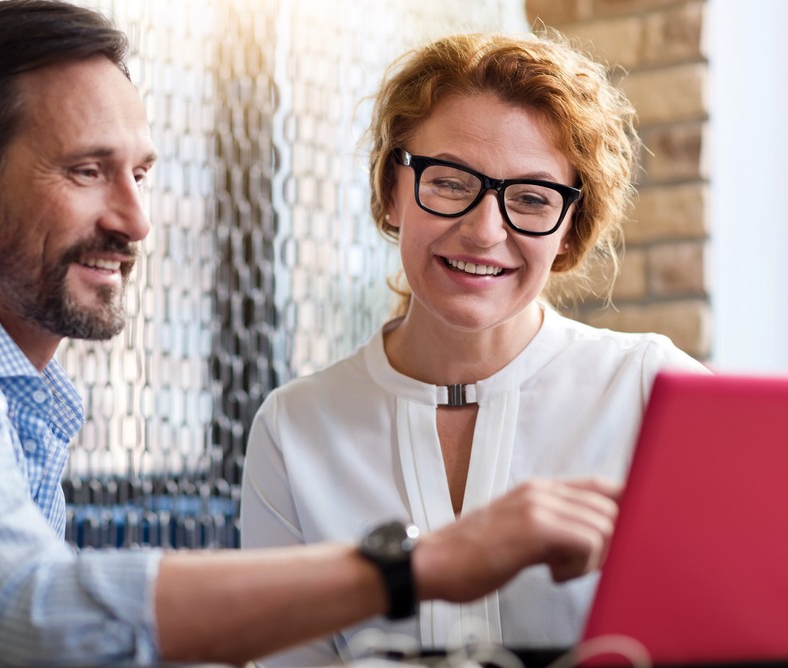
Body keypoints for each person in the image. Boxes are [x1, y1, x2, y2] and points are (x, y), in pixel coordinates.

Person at [0, 3, 621, 666]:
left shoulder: (13, 393)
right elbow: (24, 617)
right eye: (87, 171)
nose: (136, 220)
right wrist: (422, 565)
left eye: (141, 173)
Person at [240, 29, 709, 666]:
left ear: (569, 233)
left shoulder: (656, 392)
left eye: (532, 199)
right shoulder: (294, 428)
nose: (485, 231)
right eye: (452, 181)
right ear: (390, 192)